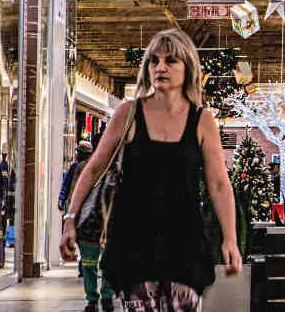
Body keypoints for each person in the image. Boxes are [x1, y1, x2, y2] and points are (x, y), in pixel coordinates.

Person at [61, 30, 242, 312]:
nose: (160, 67)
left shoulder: (202, 120)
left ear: (188, 68)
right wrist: (71, 218)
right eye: (153, 61)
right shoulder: (129, 113)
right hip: (134, 242)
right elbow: (94, 168)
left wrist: (230, 239)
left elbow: (218, 184)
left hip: (184, 243)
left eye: (171, 61)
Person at [60, 141, 113, 312]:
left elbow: (71, 192)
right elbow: (73, 191)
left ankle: (96, 299)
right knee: (101, 263)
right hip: (96, 223)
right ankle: (103, 298)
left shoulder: (87, 168)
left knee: (91, 263)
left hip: (94, 222)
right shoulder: (86, 168)